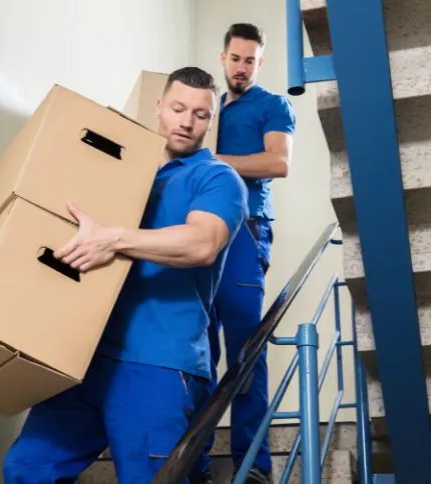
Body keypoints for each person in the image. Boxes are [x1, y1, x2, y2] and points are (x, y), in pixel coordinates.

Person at [1, 66, 249, 484]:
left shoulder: (217, 179)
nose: (187, 121)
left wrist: (115, 240)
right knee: (28, 467)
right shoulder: (126, 170)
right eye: (177, 108)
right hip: (86, 355)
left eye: (201, 114)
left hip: (158, 360)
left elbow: (201, 243)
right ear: (159, 107)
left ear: (212, 119)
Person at [191, 23, 297, 484]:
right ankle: (194, 463)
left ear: (260, 62)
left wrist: (216, 161)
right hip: (196, 232)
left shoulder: (272, 105)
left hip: (245, 231)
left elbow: (279, 163)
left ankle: (253, 467)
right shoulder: (208, 109)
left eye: (250, 60)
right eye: (235, 58)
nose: (241, 67)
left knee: (244, 352)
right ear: (223, 58)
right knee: (196, 352)